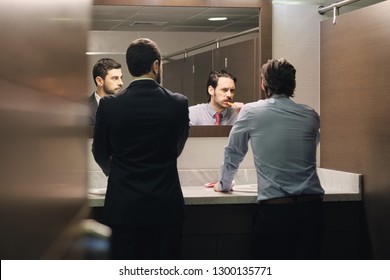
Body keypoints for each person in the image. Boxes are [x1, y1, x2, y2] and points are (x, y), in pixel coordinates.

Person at [212, 58, 325, 259]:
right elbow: (311, 145)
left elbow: (233, 153)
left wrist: (224, 184)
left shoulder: (251, 111)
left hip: (276, 213)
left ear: (263, 85)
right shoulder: (311, 115)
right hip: (313, 211)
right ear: (293, 84)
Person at [92, 38, 189, 259]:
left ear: (130, 67)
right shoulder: (178, 103)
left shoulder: (110, 105)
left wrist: (117, 172)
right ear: (156, 65)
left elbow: (99, 152)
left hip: (124, 207)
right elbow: (177, 147)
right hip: (165, 206)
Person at [88, 58, 123, 125]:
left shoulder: (127, 106)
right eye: (115, 78)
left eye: (121, 78)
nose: (121, 83)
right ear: (99, 81)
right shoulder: (84, 109)